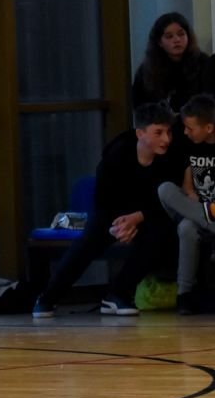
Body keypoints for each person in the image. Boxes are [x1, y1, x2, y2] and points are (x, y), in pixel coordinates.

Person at [32, 103, 183, 318]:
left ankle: (118, 294)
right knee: (87, 243)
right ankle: (48, 297)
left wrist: (137, 218)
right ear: (140, 133)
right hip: (112, 214)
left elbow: (169, 199)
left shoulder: (172, 157)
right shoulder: (116, 154)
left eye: (168, 132)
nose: (166, 139)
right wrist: (119, 225)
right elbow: (103, 200)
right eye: (158, 133)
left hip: (147, 215)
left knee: (160, 235)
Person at [157, 95, 215, 315]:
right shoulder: (187, 145)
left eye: (190, 128)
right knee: (165, 189)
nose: (185, 132)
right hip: (198, 210)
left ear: (209, 128)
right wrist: (194, 199)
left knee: (186, 227)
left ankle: (184, 294)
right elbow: (188, 189)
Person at [131, 12, 208, 114]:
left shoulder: (204, 63)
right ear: (159, 42)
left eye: (181, 34)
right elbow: (139, 106)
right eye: (169, 36)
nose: (177, 40)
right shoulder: (147, 70)